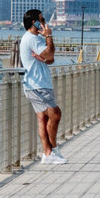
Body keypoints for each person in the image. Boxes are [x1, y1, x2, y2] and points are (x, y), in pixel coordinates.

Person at [19, 9, 66, 164]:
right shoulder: (33, 39)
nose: (45, 22)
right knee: (56, 114)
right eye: (42, 19)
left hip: (37, 84)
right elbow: (50, 53)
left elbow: (50, 58)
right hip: (38, 85)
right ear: (35, 22)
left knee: (43, 119)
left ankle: (47, 154)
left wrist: (45, 58)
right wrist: (49, 36)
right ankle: (53, 150)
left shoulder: (33, 38)